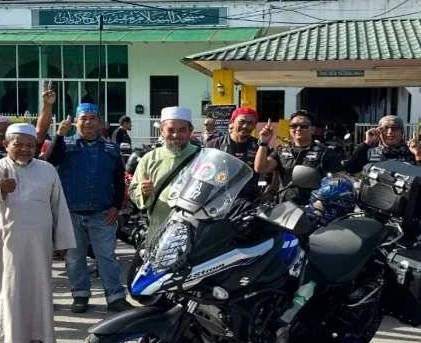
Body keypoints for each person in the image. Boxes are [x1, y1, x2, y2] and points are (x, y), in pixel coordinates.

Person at [0, 123, 75, 343]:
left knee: (36, 288)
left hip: (37, 244)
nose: (24, 149)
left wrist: (61, 241)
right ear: (6, 145)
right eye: (18, 144)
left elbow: (58, 206)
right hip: (1, 244)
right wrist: (0, 187)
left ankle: (38, 338)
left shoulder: (47, 170)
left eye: (30, 145)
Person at [47, 102, 129, 314]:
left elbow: (119, 180)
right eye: (84, 118)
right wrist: (58, 135)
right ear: (76, 122)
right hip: (71, 213)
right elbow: (49, 161)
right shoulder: (65, 144)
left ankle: (115, 297)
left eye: (93, 118)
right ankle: (80, 295)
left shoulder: (111, 149)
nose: (88, 122)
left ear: (100, 122)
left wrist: (115, 206)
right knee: (74, 258)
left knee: (107, 257)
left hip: (102, 214)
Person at [129, 106, 200, 241]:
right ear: (161, 131)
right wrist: (144, 192)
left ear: (190, 131)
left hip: (194, 231)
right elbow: (133, 191)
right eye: (170, 130)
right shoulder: (149, 159)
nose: (176, 135)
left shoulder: (202, 157)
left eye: (182, 130)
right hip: (159, 231)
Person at [255, 109, 345, 205]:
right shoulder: (280, 151)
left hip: (312, 207)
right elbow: (261, 168)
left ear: (312, 129)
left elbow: (340, 179)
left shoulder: (325, 152)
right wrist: (263, 143)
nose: (298, 129)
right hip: (284, 207)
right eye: (294, 126)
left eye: (304, 126)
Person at [206, 106, 261, 199]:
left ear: (255, 125)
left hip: (249, 199)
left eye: (250, 123)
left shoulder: (259, 146)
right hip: (218, 198)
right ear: (232, 122)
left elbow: (269, 173)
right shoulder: (215, 144)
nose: (245, 126)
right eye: (241, 122)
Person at [345, 114, 421, 173]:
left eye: (394, 128)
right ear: (378, 132)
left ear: (402, 132)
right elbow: (350, 169)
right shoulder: (371, 152)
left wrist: (418, 154)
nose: (390, 132)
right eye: (385, 128)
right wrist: (367, 143)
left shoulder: (411, 151)